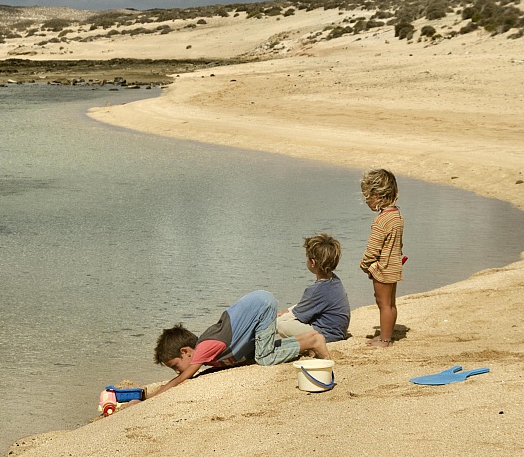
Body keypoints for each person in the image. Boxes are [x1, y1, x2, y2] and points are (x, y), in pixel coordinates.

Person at [149, 290, 329, 398]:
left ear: (185, 351)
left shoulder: (204, 347)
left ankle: (313, 341)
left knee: (265, 358)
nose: (177, 371)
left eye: (175, 365)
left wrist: (152, 396)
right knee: (263, 351)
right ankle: (309, 338)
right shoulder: (208, 351)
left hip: (261, 306)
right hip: (260, 303)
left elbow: (182, 379)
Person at [275, 233, 351, 342]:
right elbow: (310, 303)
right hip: (337, 331)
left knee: (281, 325)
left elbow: (298, 313)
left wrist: (275, 320)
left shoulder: (317, 289)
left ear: (312, 262)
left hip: (327, 334)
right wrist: (287, 310)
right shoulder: (334, 280)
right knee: (286, 317)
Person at [360, 168, 404, 347]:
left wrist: (365, 265)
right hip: (394, 265)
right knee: (391, 304)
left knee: (382, 303)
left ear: (377, 195)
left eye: (367, 197)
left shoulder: (380, 221)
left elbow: (373, 249)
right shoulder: (397, 216)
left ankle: (385, 339)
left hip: (383, 268)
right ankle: (386, 335)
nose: (366, 201)